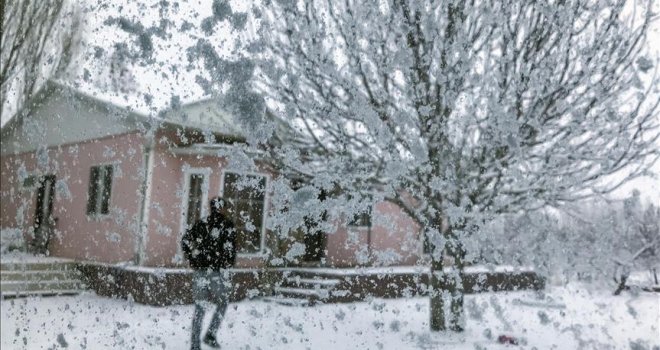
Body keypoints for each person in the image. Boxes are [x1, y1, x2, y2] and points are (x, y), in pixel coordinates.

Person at [181, 197, 237, 350]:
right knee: (223, 302)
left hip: (200, 271)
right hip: (216, 272)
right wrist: (228, 263)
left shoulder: (201, 223)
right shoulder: (227, 225)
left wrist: (191, 258)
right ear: (222, 208)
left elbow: (185, 240)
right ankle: (210, 334)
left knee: (200, 307)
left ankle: (195, 345)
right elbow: (231, 249)